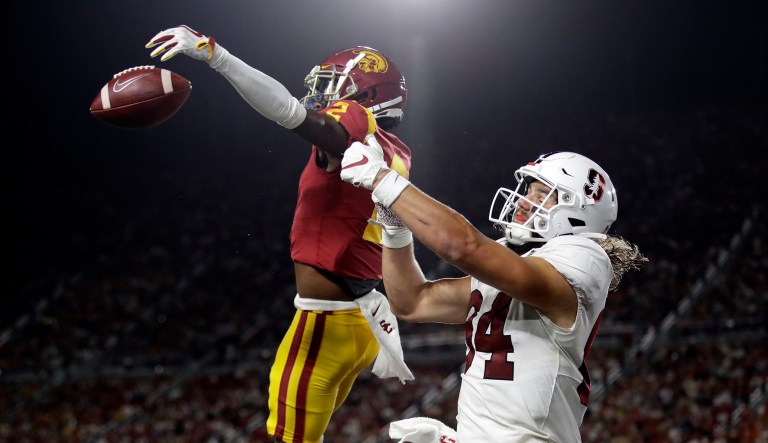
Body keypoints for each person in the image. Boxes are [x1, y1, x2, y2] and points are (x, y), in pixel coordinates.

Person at [145, 25, 414, 443]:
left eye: (335, 87)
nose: (324, 96)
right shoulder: (397, 149)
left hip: (327, 322)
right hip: (359, 321)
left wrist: (217, 56)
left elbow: (288, 111)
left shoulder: (356, 123)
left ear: (369, 97)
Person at [339, 147, 647, 442]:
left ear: (578, 210)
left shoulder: (585, 256)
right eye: (528, 192)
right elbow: (412, 302)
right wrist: (395, 228)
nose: (526, 201)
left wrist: (385, 180)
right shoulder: (517, 264)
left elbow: (462, 247)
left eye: (542, 194)